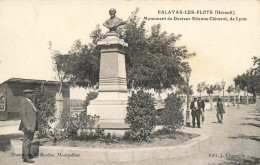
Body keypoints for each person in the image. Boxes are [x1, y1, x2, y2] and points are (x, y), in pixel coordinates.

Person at [19, 89, 40, 163]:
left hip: (32, 125)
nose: (32, 94)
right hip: (28, 125)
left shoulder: (30, 101)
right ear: (26, 94)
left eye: (32, 93)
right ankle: (26, 158)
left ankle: (26, 155)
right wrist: (27, 125)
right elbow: (23, 115)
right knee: (27, 141)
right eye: (30, 93)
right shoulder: (23, 101)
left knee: (29, 140)